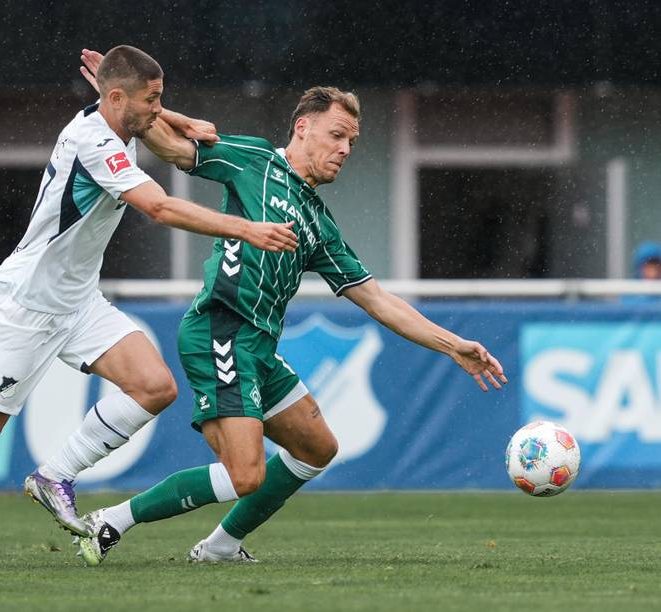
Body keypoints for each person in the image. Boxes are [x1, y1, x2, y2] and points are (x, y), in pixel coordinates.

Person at [0, 45, 298, 571]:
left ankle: (55, 474)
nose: (158, 107)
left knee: (154, 387)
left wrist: (169, 112)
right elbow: (159, 207)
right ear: (117, 96)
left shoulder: (112, 118)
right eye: (152, 98)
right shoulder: (94, 141)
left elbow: (171, 130)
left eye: (161, 97)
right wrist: (250, 228)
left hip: (78, 301)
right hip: (25, 307)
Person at [74, 50, 509, 566]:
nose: (346, 149)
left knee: (316, 448)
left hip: (259, 345)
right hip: (222, 329)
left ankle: (219, 546)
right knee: (245, 475)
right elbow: (170, 148)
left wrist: (452, 344)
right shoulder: (255, 160)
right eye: (336, 135)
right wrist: (133, 101)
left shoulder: (319, 225)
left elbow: (377, 300)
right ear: (302, 128)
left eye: (351, 141)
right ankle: (111, 521)